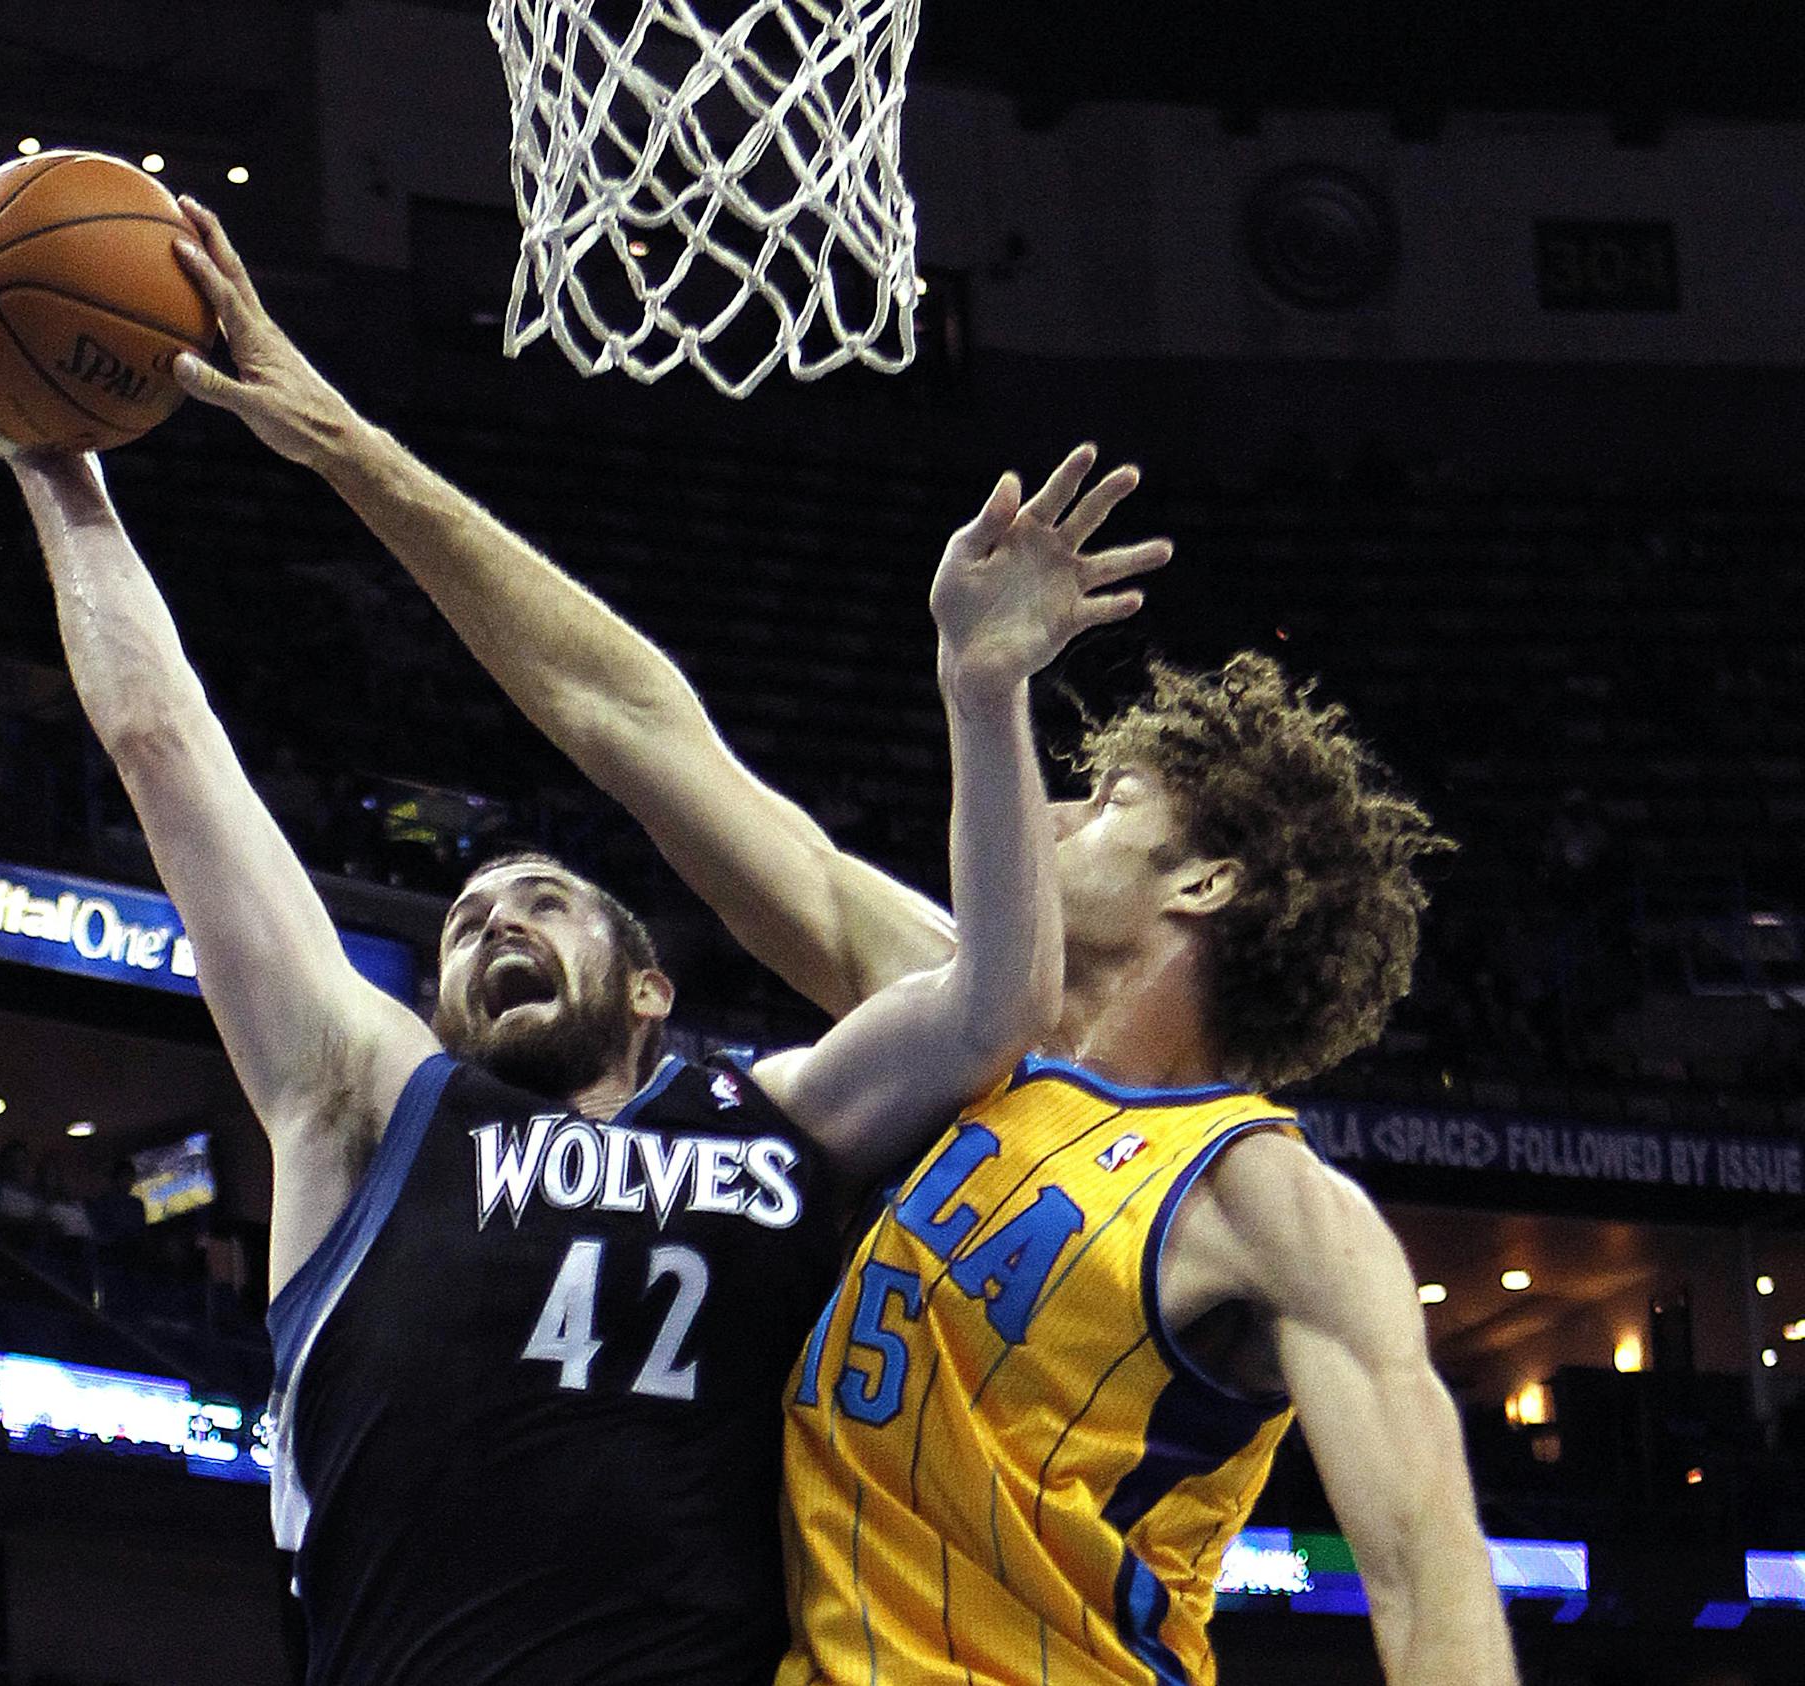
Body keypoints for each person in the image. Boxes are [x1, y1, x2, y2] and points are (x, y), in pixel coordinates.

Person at [160, 200, 1516, 1684]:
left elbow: (1427, 1563)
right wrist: (346, 444)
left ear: (1207, 886)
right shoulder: (943, 1020)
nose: (1056, 816)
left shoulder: (1270, 1199)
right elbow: (630, 719)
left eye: (1112, 799)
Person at [0, 264, 1155, 1684]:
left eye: (541, 902)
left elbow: (998, 1001)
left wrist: (983, 691)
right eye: (466, 930)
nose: (493, 926)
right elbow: (165, 746)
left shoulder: (772, 1117)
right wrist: (61, 478)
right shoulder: (366, 1105)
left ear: (649, 983)